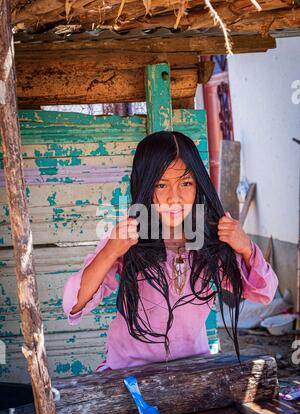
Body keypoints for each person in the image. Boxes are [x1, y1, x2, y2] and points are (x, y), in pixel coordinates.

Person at [62, 131, 278, 372]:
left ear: (199, 185)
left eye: (186, 183)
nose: (174, 198)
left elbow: (264, 292)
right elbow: (74, 304)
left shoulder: (210, 240)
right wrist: (110, 251)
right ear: (145, 185)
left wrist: (246, 248)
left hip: (193, 369)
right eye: (161, 184)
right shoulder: (127, 237)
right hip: (129, 373)